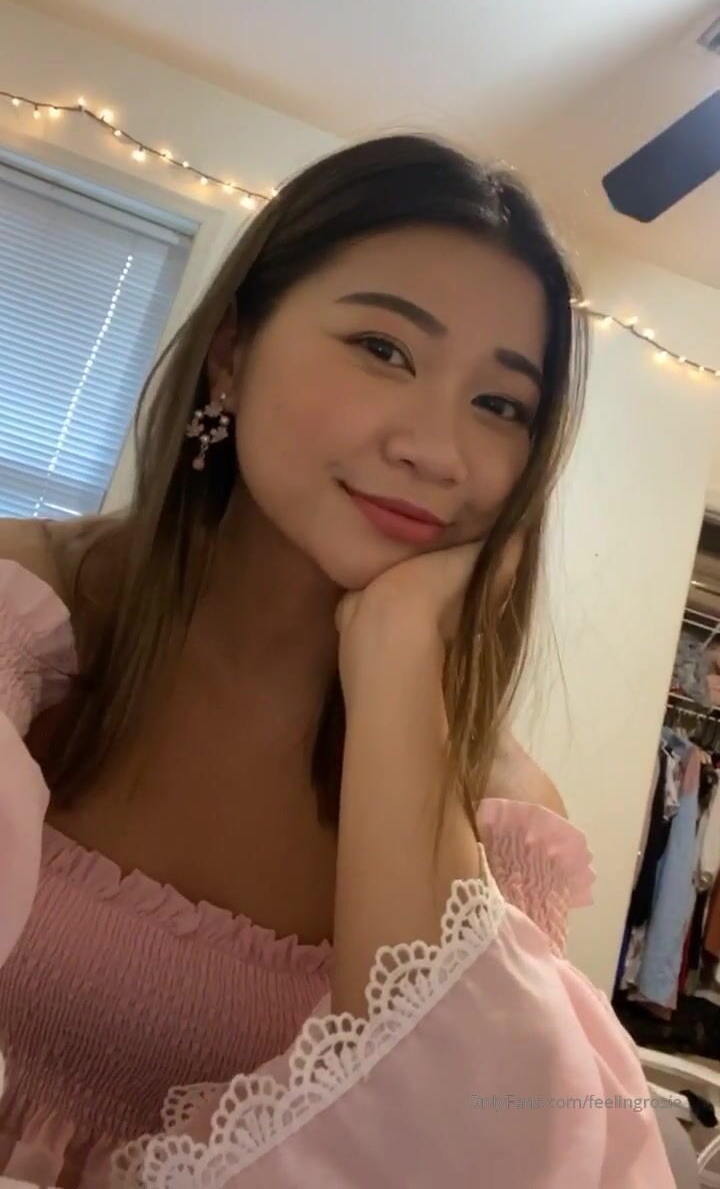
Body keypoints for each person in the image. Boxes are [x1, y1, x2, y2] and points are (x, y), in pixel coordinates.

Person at [0, 135, 674, 1187]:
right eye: (384, 348)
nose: (437, 451)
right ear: (232, 351)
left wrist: (402, 655)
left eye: (500, 405)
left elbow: (465, 1152)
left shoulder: (497, 814)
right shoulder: (23, 610)